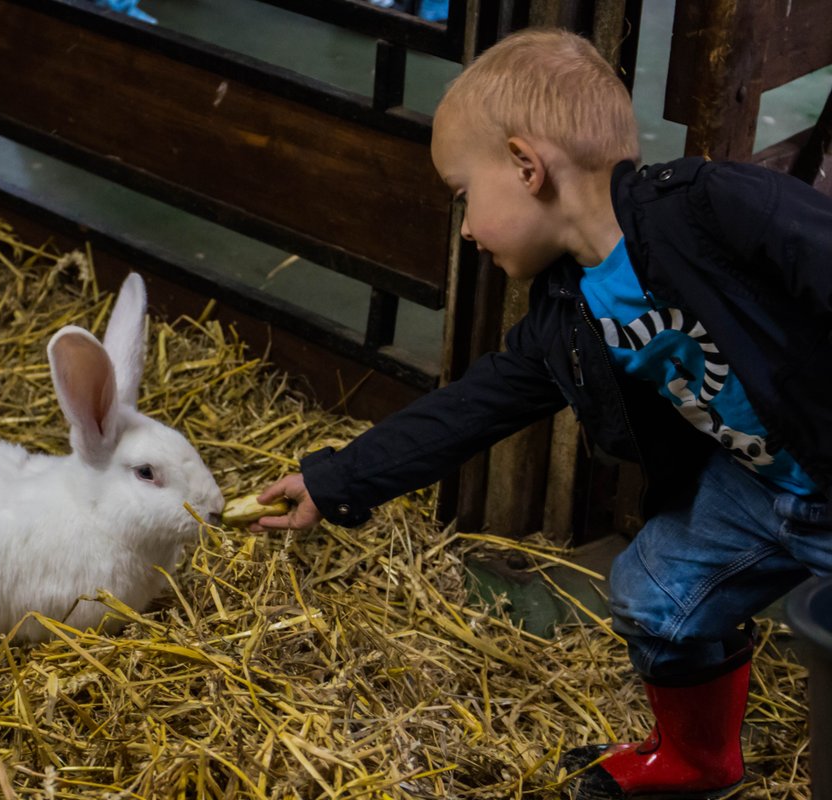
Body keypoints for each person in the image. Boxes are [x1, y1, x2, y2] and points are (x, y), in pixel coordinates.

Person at [253, 27, 832, 800]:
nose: (464, 227)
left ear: (527, 167)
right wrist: (335, 480)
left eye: (465, 195)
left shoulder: (712, 208)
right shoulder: (571, 312)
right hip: (759, 487)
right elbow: (473, 406)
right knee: (652, 597)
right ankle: (697, 764)